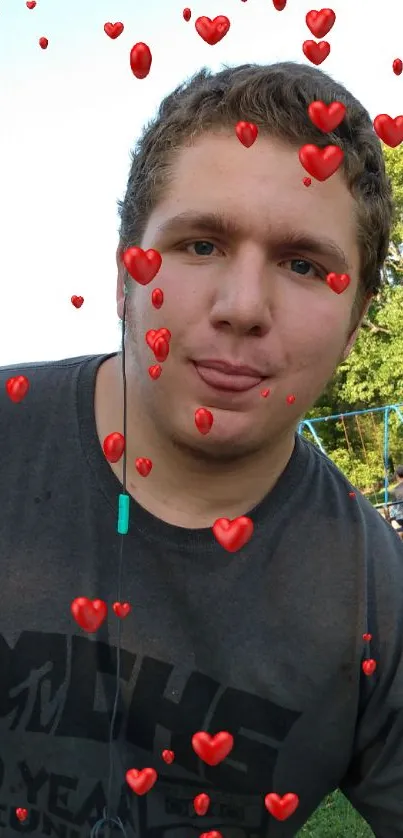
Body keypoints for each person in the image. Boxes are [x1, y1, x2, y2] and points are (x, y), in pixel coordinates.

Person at [1, 61, 403, 838]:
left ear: (353, 325)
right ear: (125, 279)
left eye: (302, 266)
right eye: (199, 245)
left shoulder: (372, 600)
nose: (243, 306)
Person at [389, 465, 403, 538]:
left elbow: (393, 508)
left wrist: (391, 518)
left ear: (397, 476)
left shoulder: (394, 491)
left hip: (400, 518)